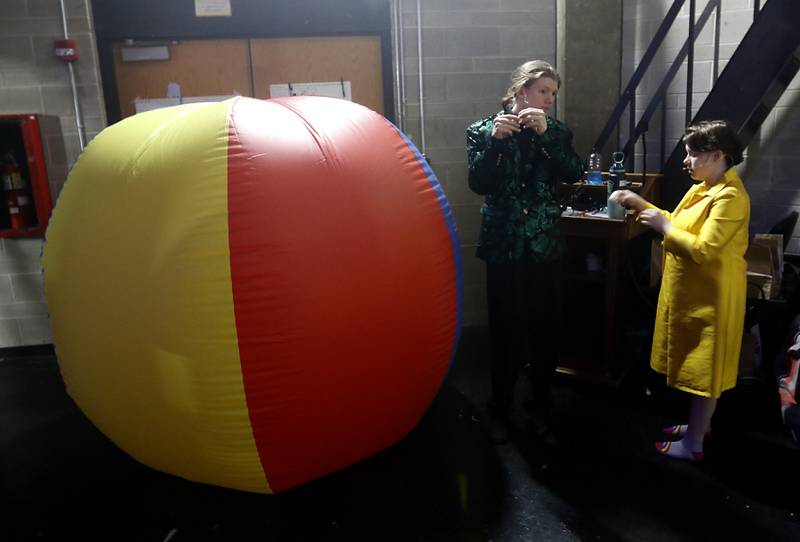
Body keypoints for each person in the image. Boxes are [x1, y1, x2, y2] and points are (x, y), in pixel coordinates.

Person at [610, 119, 750, 461]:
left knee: (706, 371)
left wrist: (663, 226)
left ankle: (694, 444)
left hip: (712, 298)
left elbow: (704, 249)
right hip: (694, 294)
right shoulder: (704, 187)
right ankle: (699, 426)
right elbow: (675, 221)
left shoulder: (730, 197)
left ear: (717, 155)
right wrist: (639, 203)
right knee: (699, 369)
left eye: (692, 154)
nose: (685, 161)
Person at [466, 60, 583, 444]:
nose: (549, 100)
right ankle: (501, 398)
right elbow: (479, 184)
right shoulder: (483, 130)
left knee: (545, 324)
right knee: (504, 325)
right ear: (521, 92)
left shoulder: (558, 131)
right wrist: (497, 146)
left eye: (553, 93)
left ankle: (542, 396)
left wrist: (547, 137)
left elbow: (571, 174)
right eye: (543, 91)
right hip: (504, 241)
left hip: (543, 241)